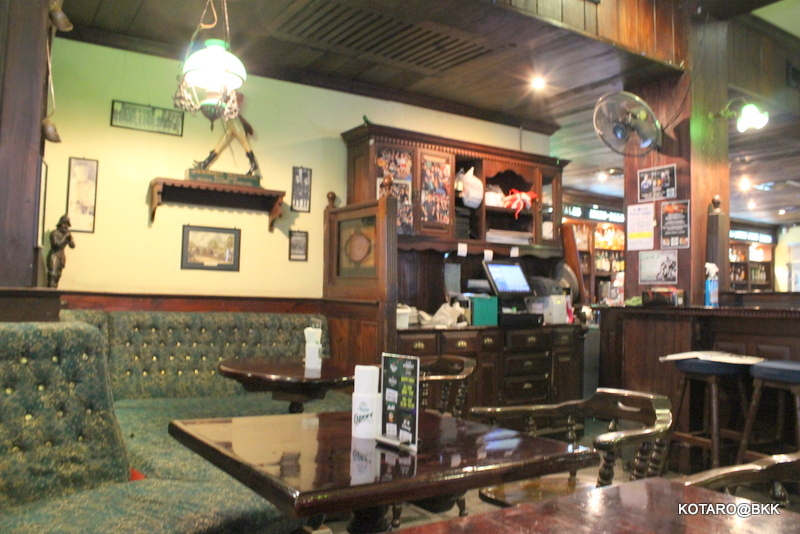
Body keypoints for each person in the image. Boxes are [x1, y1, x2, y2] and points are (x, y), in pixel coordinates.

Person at [194, 92, 259, 175]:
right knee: (219, 145)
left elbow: (230, 109)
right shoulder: (227, 99)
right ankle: (205, 163)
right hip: (230, 126)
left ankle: (253, 164)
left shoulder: (234, 99)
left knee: (245, 145)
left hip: (235, 125)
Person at [47, 214, 75, 288]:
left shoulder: (66, 234)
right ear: (60, 223)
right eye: (64, 223)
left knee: (58, 276)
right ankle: (50, 293)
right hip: (54, 256)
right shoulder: (54, 233)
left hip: (61, 256)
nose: (65, 226)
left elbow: (72, 246)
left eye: (67, 225)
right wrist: (65, 237)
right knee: (52, 275)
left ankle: (54, 293)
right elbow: (56, 245)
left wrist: (70, 239)